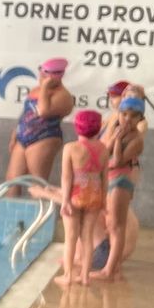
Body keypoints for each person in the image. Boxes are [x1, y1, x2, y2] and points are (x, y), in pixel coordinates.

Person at [28, 181, 140, 275]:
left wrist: (43, 193)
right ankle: (79, 258)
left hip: (103, 256)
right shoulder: (112, 194)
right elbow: (79, 196)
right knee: (87, 210)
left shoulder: (108, 198)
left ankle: (79, 258)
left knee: (77, 213)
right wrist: (56, 190)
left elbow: (75, 204)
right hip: (112, 256)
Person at [94, 93, 145, 280]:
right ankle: (111, 267)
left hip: (121, 182)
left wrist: (117, 139)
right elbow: (103, 153)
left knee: (117, 227)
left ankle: (110, 269)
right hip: (111, 180)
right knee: (111, 224)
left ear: (141, 118)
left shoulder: (137, 139)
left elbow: (116, 161)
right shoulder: (118, 131)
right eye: (124, 115)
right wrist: (114, 137)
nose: (128, 119)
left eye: (133, 116)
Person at [5, 57, 74, 192]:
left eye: (45, 74)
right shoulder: (36, 90)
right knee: (12, 180)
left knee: (37, 182)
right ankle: (11, 212)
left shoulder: (64, 96)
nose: (41, 76)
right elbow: (25, 114)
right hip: (22, 137)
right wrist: (15, 133)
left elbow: (43, 111)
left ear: (57, 76)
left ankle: (42, 212)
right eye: (41, 72)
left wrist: (45, 88)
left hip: (44, 138)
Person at [56, 109, 108, 288]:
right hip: (95, 195)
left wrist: (64, 201)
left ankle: (68, 276)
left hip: (75, 196)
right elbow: (105, 178)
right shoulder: (103, 149)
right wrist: (104, 201)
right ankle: (85, 276)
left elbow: (66, 177)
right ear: (99, 127)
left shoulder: (71, 148)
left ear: (77, 128)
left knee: (70, 237)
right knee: (87, 237)